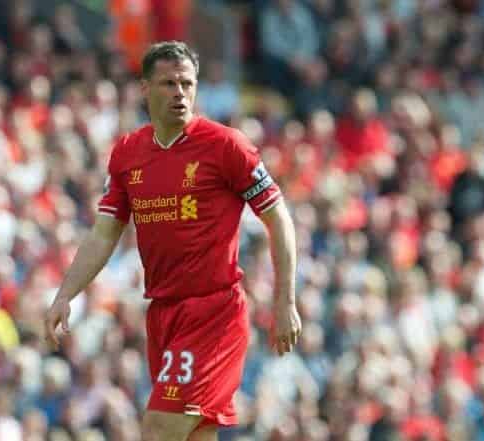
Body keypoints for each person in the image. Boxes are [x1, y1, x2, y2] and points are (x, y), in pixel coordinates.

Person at [44, 41, 302, 441]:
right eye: (168, 84)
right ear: (144, 89)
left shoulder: (226, 146)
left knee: (160, 430)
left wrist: (285, 301)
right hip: (163, 313)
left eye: (187, 83)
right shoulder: (128, 153)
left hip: (213, 313)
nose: (180, 93)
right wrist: (65, 293)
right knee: (196, 434)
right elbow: (103, 232)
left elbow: (278, 217)